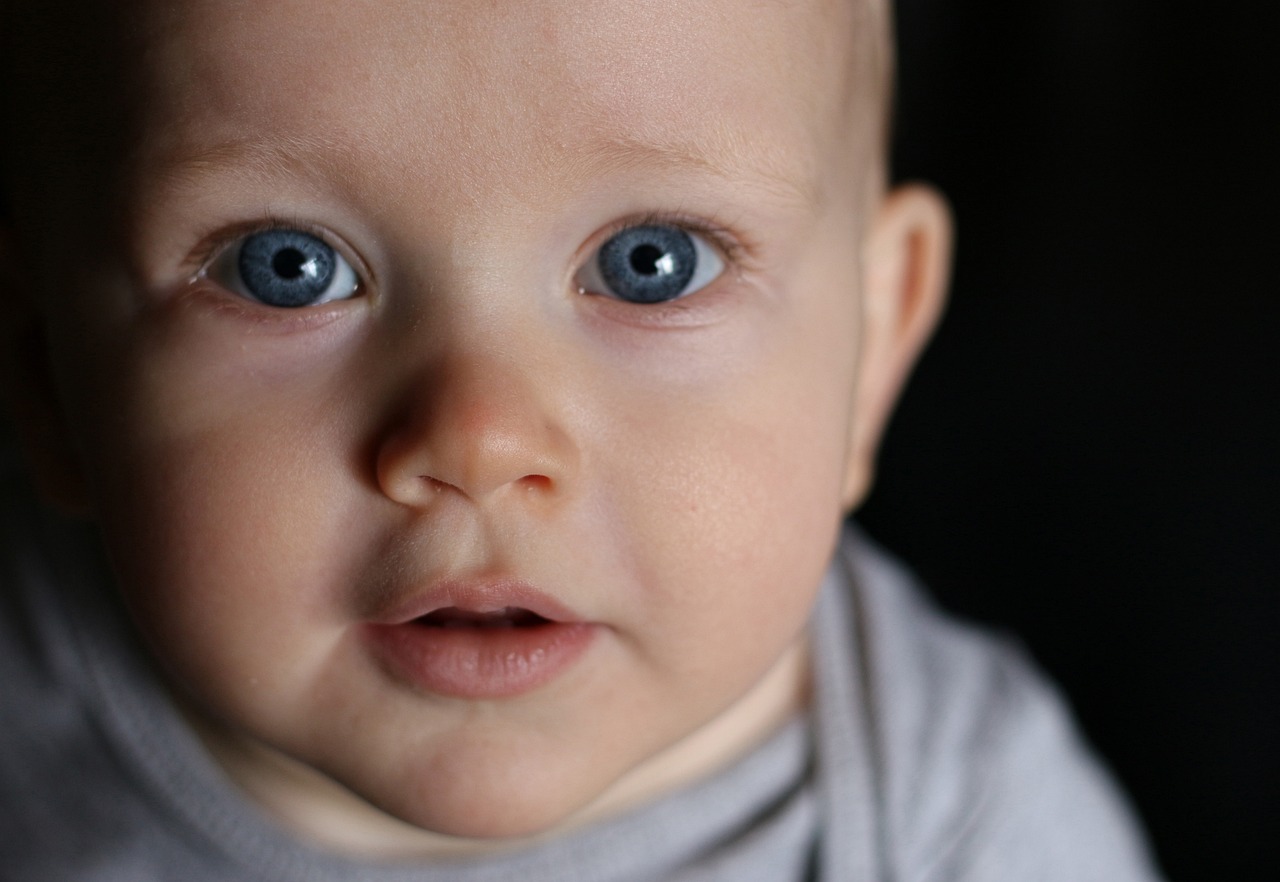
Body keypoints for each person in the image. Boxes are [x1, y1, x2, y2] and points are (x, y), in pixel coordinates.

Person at [0, 0, 1164, 879]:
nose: (478, 440)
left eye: (650, 264)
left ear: (871, 347)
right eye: (285, 268)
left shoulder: (967, 828)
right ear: (45, 369)